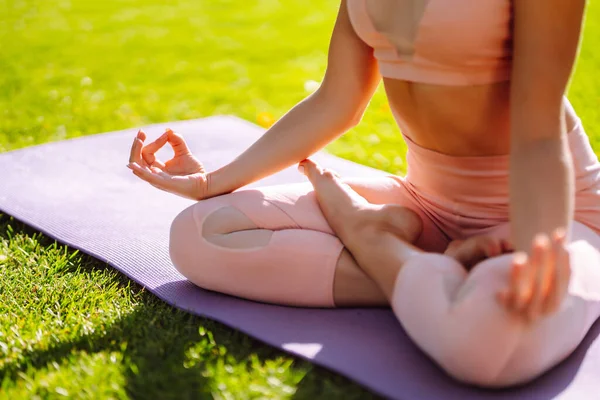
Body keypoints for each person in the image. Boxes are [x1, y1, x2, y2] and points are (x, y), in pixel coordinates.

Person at [127, 0, 600, 388]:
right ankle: (421, 263)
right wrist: (212, 183)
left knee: (489, 344)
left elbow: (540, 133)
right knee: (198, 234)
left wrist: (545, 243)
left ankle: (377, 242)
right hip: (427, 205)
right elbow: (337, 100)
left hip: (560, 212)